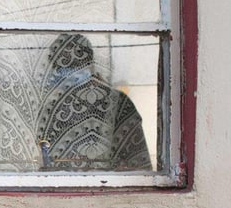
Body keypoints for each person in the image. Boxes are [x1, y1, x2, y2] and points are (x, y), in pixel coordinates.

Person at [36, 33, 153, 171]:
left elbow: (138, 163)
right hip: (61, 187)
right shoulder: (51, 107)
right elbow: (44, 157)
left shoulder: (119, 103)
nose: (68, 74)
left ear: (89, 63)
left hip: (110, 188)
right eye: (61, 67)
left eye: (75, 64)